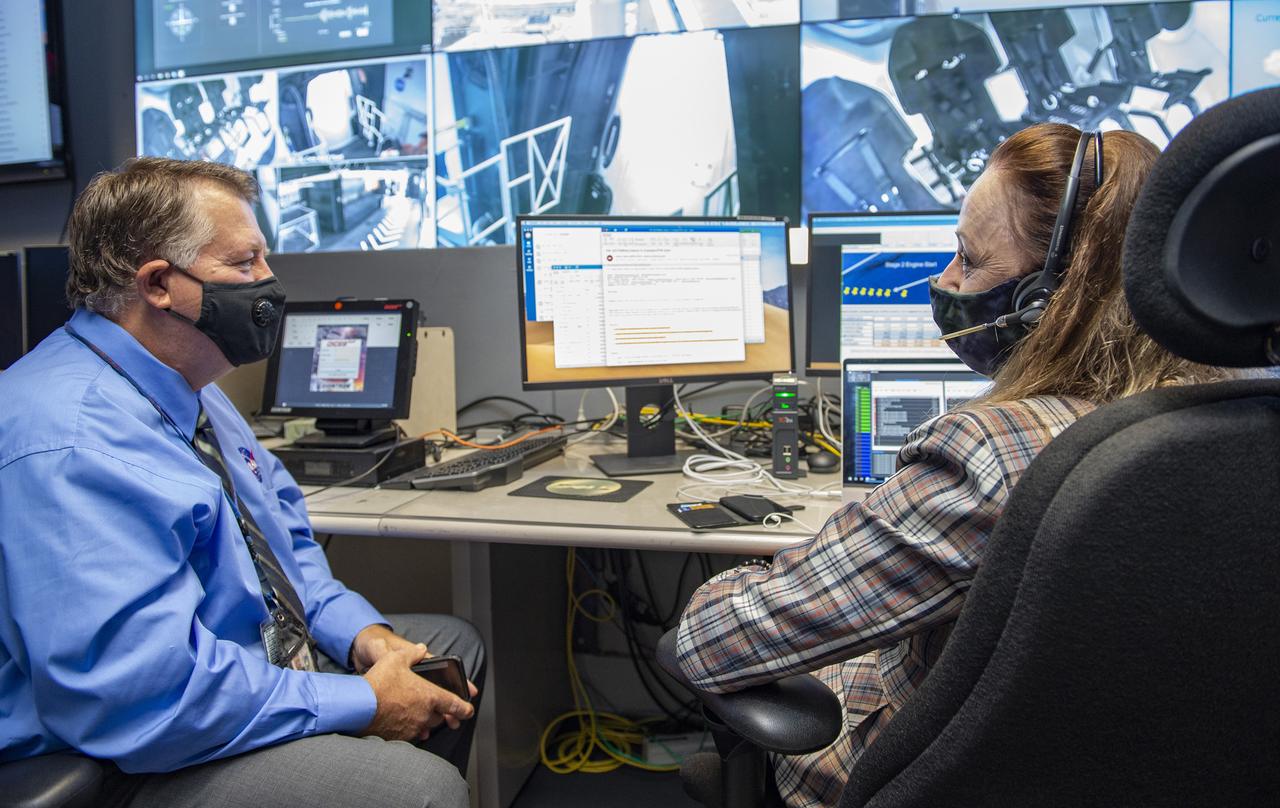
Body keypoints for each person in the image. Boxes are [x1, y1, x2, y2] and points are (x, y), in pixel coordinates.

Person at [674, 124, 1236, 808]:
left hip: (926, 776)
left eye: (969, 259)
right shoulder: (1231, 426)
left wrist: (754, 576)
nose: (944, 282)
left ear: (1048, 299)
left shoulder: (989, 453)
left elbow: (715, 645)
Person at [0, 157, 485, 808]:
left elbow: (286, 558)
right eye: (245, 263)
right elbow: (141, 697)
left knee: (448, 650)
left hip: (234, 661)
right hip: (126, 750)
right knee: (419, 789)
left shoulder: (189, 385)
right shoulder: (68, 442)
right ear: (160, 284)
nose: (269, 283)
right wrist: (359, 703)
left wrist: (363, 636)